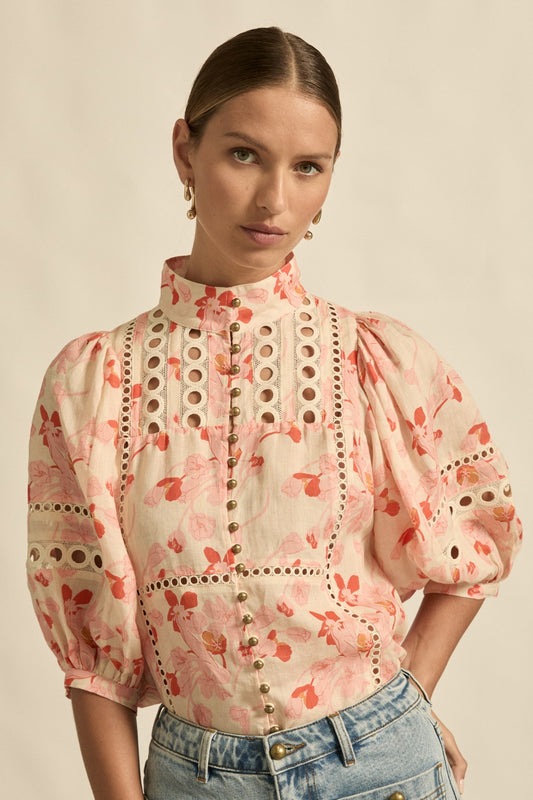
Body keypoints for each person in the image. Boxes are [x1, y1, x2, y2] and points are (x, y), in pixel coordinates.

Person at [27, 26, 521, 800]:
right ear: (185, 151)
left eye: (307, 168)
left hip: (381, 769)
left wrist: (409, 697)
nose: (273, 201)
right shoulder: (92, 385)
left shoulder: (374, 361)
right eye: (243, 154)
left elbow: (473, 541)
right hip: (195, 779)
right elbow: (93, 661)